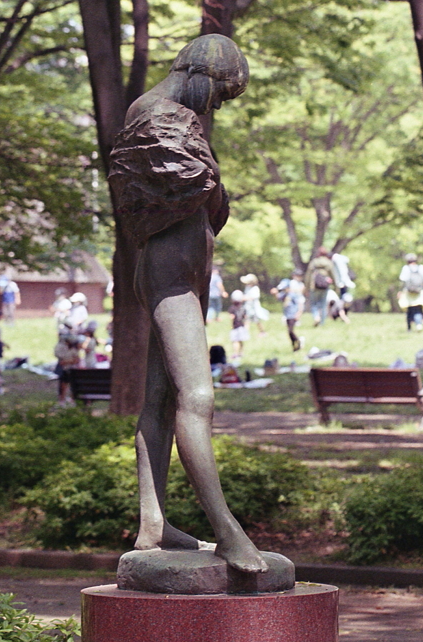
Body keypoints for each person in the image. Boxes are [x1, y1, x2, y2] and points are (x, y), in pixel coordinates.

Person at [108, 34, 265, 572]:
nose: (217, 105)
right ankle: (227, 530)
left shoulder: (172, 116)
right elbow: (199, 187)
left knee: (158, 399)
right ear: (201, 75)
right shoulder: (156, 114)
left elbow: (207, 195)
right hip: (169, 276)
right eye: (220, 93)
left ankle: (153, 522)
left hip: (183, 272)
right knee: (197, 396)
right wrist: (215, 186)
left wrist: (213, 189)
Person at [272, 269, 306, 351]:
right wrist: (275, 293)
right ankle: (294, 345)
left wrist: (299, 313)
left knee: (290, 331)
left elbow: (300, 304)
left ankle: (298, 341)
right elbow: (278, 297)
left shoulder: (293, 294)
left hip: (293, 315)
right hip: (287, 315)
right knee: (289, 332)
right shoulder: (284, 294)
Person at [304, 248, 336, 326]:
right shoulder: (329, 263)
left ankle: (316, 317)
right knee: (323, 304)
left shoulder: (314, 262)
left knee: (314, 304)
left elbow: (308, 275)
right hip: (324, 286)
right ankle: (322, 322)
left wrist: (306, 287)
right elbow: (333, 275)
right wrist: (335, 286)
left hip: (314, 286)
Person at [398, 253, 423, 331]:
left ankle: (409, 328)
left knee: (409, 309)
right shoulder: (421, 268)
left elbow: (402, 280)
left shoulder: (406, 268)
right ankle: (419, 324)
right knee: (418, 309)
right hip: (419, 292)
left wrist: (400, 291)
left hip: (408, 292)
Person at [53, 328, 82, 404]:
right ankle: (62, 397)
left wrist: (67, 362)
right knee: (63, 381)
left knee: (68, 381)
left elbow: (76, 360)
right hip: (65, 369)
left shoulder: (73, 350)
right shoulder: (63, 348)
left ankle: (68, 398)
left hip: (71, 369)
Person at [228, 290, 248, 361]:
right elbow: (245, 317)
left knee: (235, 341)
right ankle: (241, 353)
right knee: (241, 340)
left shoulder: (232, 308)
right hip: (242, 326)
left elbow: (232, 317)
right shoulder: (243, 308)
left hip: (235, 327)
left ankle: (235, 354)